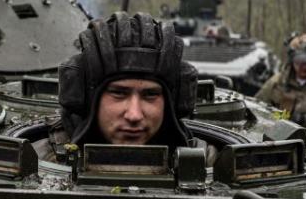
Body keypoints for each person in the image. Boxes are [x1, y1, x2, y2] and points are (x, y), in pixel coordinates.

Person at [54, 12, 199, 149]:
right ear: (87, 98)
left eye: (150, 95)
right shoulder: (39, 156)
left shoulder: (212, 161)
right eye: (118, 93)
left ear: (171, 102)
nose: (134, 115)